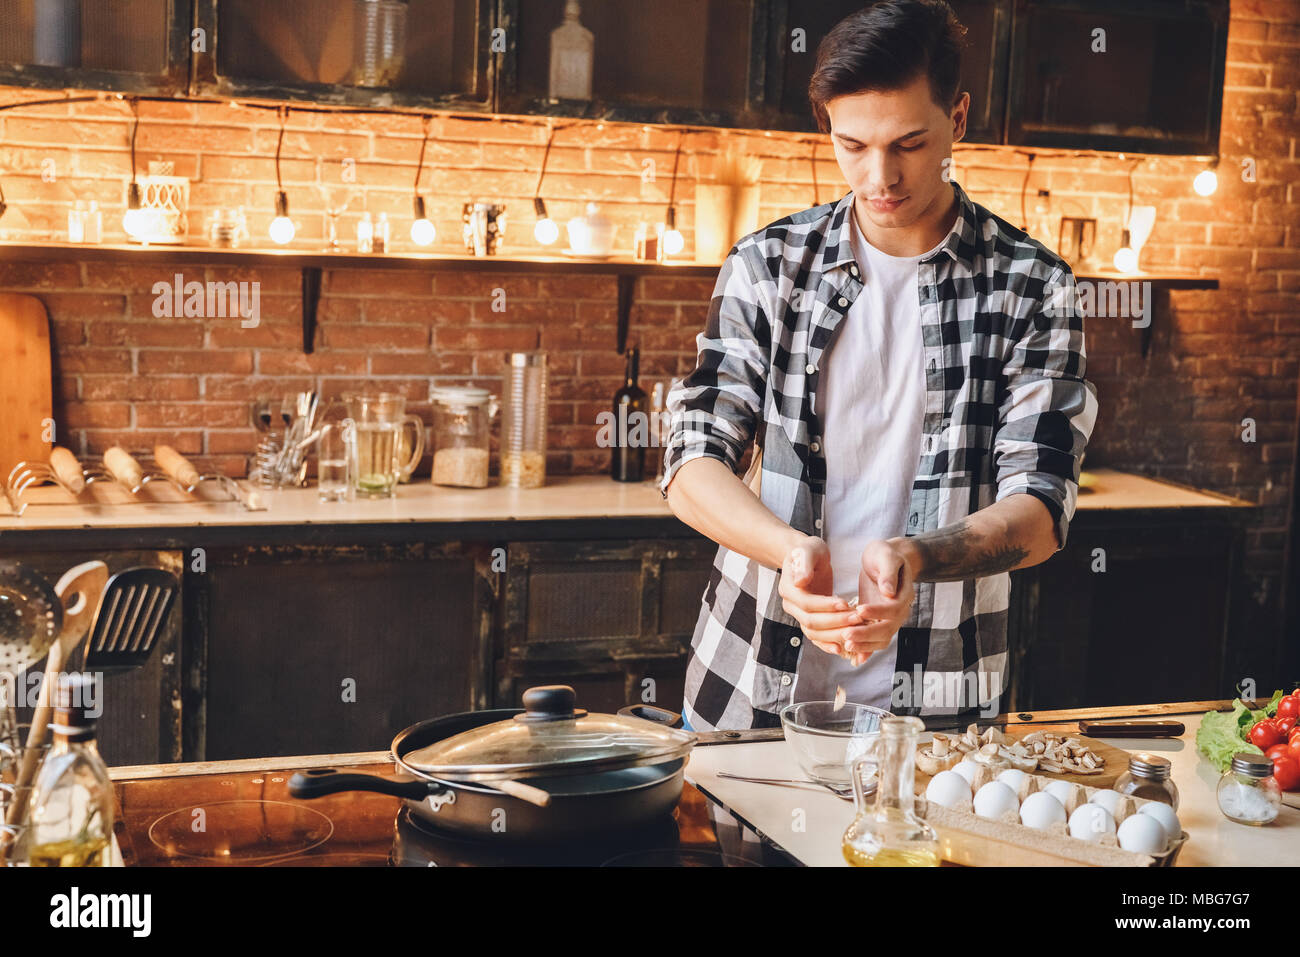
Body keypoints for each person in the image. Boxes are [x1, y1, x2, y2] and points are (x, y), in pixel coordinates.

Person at [660, 0, 1097, 732]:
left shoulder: (1033, 285)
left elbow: (1044, 508)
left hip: (939, 715)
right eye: (852, 144)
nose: (880, 175)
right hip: (746, 694)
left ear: (958, 119)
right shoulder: (767, 267)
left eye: (909, 143)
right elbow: (692, 460)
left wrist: (917, 558)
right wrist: (791, 550)